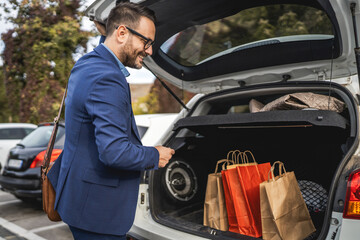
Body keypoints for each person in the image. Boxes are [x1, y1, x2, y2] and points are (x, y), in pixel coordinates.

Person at [47, 2, 175, 239]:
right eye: (146, 42)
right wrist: (156, 155)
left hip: (80, 201)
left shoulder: (88, 64)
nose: (149, 51)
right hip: (97, 215)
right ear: (122, 32)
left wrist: (105, 28)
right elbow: (114, 152)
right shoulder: (108, 77)